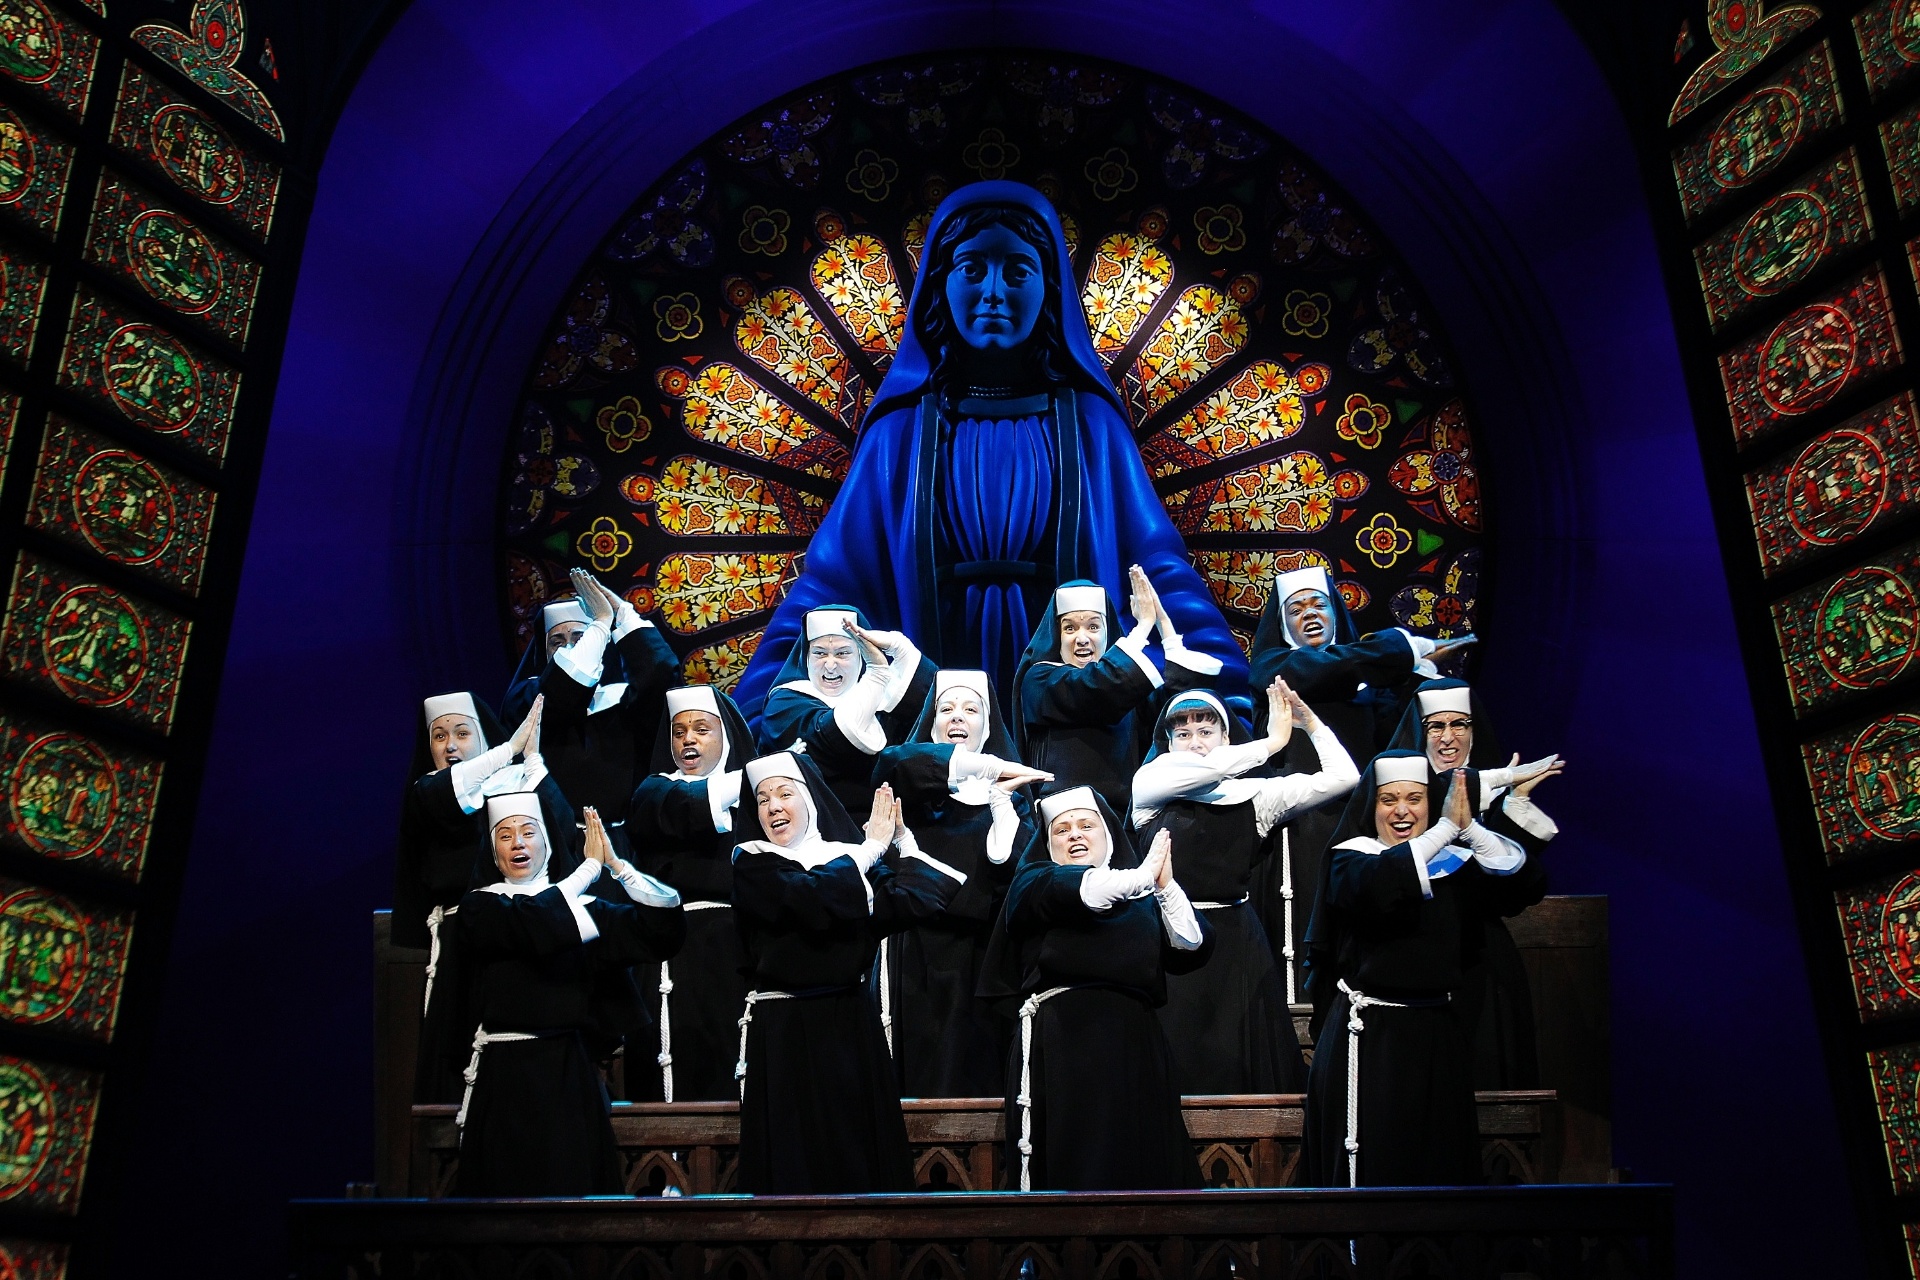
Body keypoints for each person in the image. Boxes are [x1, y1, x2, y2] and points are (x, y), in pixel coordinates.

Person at [733, 180, 1247, 715]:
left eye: (1018, 271)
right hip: (937, 690)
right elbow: (835, 586)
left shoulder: (1092, 425)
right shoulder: (901, 432)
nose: (995, 291)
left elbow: (1154, 569)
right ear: (940, 284)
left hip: (1074, 703)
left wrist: (1222, 688)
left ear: (1049, 287)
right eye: (973, 269)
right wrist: (756, 713)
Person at [730, 752, 965, 1193]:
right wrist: (870, 848)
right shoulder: (752, 861)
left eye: (785, 794)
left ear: (810, 800)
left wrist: (901, 841)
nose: (774, 807)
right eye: (762, 800)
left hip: (848, 1029)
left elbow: (910, 901)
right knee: (791, 1161)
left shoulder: (845, 860)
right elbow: (806, 898)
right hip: (783, 1033)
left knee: (856, 1153)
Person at [1300, 753, 1539, 1188]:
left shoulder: (1453, 862)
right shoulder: (1350, 860)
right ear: (1372, 806)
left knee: (1438, 1161)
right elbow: (1379, 887)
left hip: (1436, 1036)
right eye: (1388, 799)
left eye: (1415, 798)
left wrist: (1467, 828)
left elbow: (1521, 886)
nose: (1402, 811)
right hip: (1369, 1037)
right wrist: (1445, 828)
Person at [1248, 565, 1472, 1014]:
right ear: (1282, 623)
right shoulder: (1275, 669)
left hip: (1368, 821)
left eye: (1319, 604)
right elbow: (1319, 671)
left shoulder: (1367, 682)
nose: (1310, 615)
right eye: (1296, 609)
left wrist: (1413, 671)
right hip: (1303, 828)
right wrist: (1407, 648)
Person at [1129, 679, 1359, 1095]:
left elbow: (1344, 777)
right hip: (1165, 941)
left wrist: (1310, 723)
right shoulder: (1150, 785)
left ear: (1226, 736)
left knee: (1241, 1059)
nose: (1195, 743)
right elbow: (1211, 769)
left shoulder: (1256, 796)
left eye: (1206, 731)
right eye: (1182, 734)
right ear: (1167, 744)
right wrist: (1272, 743)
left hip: (1236, 944)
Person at [980, 786, 1213, 1191]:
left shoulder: (1142, 896)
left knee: (1143, 1162)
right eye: (1062, 829)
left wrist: (1165, 885)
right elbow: (1085, 890)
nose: (1074, 835)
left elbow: (1191, 944)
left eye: (1087, 825)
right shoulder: (1033, 880)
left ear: (1108, 836)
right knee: (1076, 1163)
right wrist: (1141, 876)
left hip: (1134, 1045)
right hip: (1063, 1043)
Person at [454, 797, 685, 1196]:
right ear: (494, 851)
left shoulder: (582, 909)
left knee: (572, 1191)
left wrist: (618, 867)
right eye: (505, 836)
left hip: (568, 1076)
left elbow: (658, 933)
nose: (517, 844)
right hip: (502, 1078)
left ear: (546, 841)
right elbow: (533, 922)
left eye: (528, 832)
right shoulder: (481, 907)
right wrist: (588, 869)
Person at [870, 669, 1049, 1097]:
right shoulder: (909, 786)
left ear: (987, 725)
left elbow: (1017, 875)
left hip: (986, 955)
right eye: (946, 708)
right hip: (919, 954)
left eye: (971, 710)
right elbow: (891, 762)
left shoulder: (1016, 800)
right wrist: (988, 767)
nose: (958, 718)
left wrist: (1001, 802)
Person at [1385, 678, 1564, 1088]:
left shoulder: (1499, 801)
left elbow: (1523, 890)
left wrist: (1512, 805)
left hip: (1482, 962)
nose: (1448, 738)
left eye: (1459, 724)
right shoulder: (1398, 801)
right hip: (1414, 958)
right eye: (1435, 726)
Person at [391, 692, 554, 1102]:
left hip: (521, 941)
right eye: (439, 736)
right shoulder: (428, 794)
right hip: (459, 947)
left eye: (462, 733)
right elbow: (446, 796)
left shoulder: (515, 787)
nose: (449, 746)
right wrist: (508, 750)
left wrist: (527, 760)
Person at [625, 684, 756, 1102]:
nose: (689, 740)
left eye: (702, 729)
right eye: (679, 732)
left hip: (736, 949)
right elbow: (687, 807)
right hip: (673, 952)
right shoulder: (654, 791)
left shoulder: (757, 804)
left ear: (726, 737)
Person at [1012, 569, 1220, 817]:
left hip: (1123, 819)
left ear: (1107, 632)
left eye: (1093, 626)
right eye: (1070, 628)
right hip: (1063, 820)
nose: (1082, 638)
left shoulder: (1124, 687)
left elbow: (1178, 707)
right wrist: (1142, 627)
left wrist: (1162, 624)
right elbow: (1095, 689)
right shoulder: (1040, 679)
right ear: (1057, 636)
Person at [501, 568, 680, 853]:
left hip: (630, 845)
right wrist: (599, 625)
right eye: (557, 642)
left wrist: (621, 613)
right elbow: (561, 692)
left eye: (580, 637)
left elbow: (661, 675)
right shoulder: (526, 699)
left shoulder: (622, 700)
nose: (571, 648)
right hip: (555, 846)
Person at [756, 605, 936, 817]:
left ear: (862, 657)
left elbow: (935, 705)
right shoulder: (784, 704)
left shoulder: (877, 695)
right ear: (806, 657)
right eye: (820, 653)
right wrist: (877, 674)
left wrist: (899, 647)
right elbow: (834, 739)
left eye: (843, 653)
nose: (830, 665)